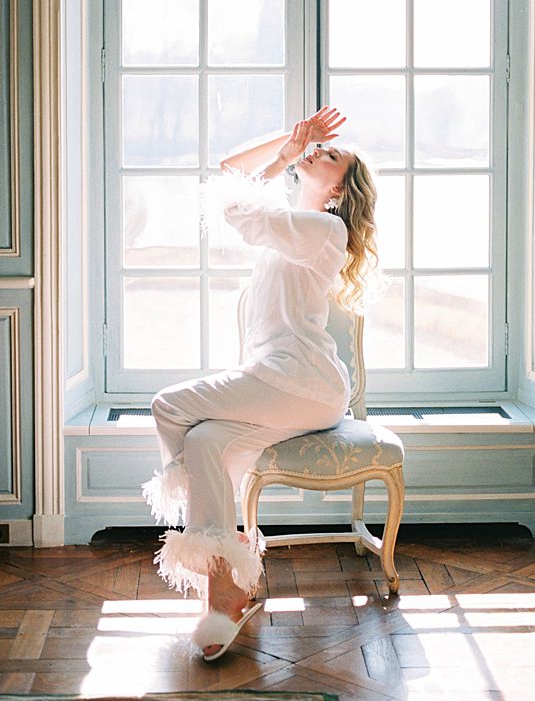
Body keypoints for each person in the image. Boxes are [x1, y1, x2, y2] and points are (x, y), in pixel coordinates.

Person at [141, 106, 380, 661]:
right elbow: (229, 171)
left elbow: (238, 207)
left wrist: (289, 154)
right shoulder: (293, 230)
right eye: (321, 148)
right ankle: (223, 596)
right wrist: (292, 142)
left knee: (167, 406)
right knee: (202, 442)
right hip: (279, 384)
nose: (321, 151)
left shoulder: (325, 229)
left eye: (332, 154)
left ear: (340, 189)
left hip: (303, 383)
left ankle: (226, 570)